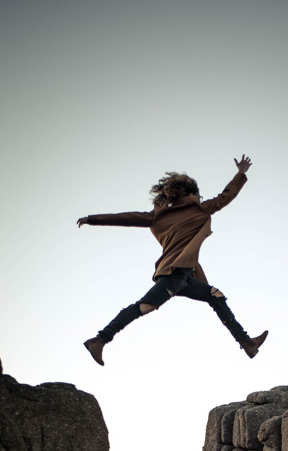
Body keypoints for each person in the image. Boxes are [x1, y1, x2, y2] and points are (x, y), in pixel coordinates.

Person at [78, 154, 268, 366]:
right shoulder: (199, 208)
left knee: (216, 296)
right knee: (145, 306)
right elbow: (226, 196)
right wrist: (240, 173)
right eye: (197, 192)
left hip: (185, 275)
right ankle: (100, 340)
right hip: (174, 273)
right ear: (190, 193)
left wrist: (93, 219)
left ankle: (247, 343)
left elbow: (126, 217)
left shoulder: (158, 216)